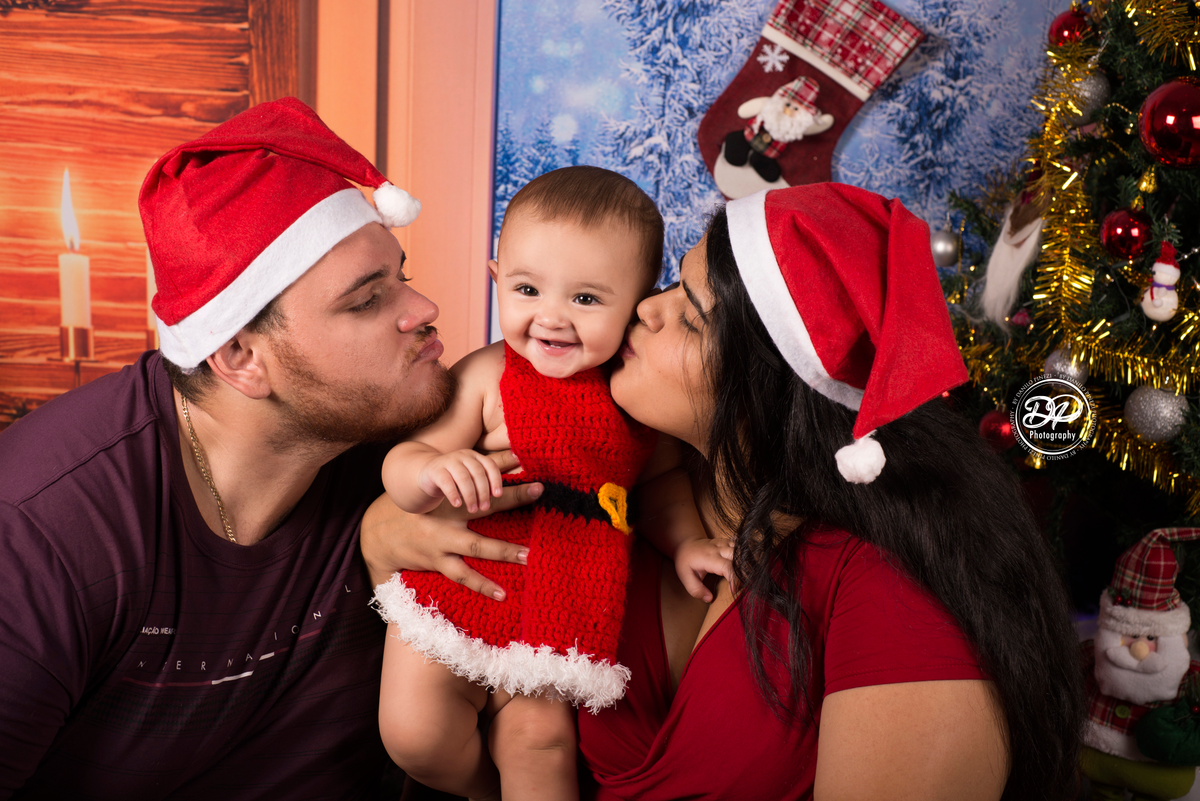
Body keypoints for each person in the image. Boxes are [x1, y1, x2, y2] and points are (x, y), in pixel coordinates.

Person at [367, 183, 1085, 800]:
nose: (645, 309)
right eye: (669, 287)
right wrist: (384, 529)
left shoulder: (890, 593)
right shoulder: (627, 476)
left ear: (770, 385)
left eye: (689, 313)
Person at [0, 97, 531, 799]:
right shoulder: (47, 528)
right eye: (367, 299)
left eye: (399, 274)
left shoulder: (413, 453)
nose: (423, 307)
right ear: (241, 355)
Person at [371, 166, 734, 801]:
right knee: (416, 733)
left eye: (587, 300)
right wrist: (433, 471)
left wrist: (684, 544)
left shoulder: (637, 400)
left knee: (542, 749)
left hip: (564, 601)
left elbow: (660, 487)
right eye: (528, 289)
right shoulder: (488, 375)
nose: (552, 318)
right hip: (462, 591)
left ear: (638, 305)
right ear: (496, 280)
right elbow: (406, 462)